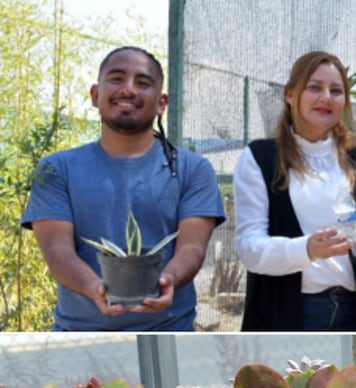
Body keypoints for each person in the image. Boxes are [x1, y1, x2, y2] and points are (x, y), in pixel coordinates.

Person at [20, 46, 224, 331]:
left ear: (161, 103)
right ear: (95, 95)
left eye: (143, 82)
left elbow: (192, 247)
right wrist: (93, 287)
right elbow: (58, 251)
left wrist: (168, 280)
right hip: (78, 334)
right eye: (116, 79)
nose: (128, 89)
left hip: (169, 333)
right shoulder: (56, 169)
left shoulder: (193, 169)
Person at [234, 51, 356, 331]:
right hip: (285, 315)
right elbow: (249, 247)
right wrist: (307, 249)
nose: (326, 97)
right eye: (314, 87)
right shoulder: (260, 157)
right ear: (290, 95)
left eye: (336, 91)